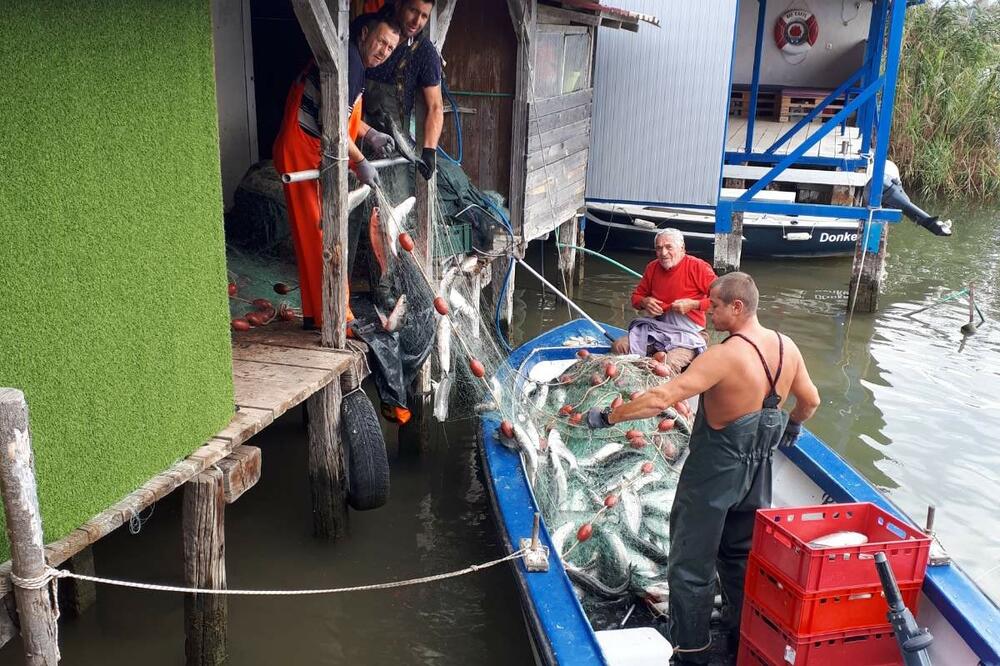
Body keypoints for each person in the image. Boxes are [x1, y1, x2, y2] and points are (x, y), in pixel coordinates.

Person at [587, 272, 821, 664]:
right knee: (739, 557)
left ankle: (691, 651)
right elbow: (810, 400)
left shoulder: (725, 356)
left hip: (715, 475)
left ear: (737, 307)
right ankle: (741, 631)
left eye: (714, 306)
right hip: (757, 473)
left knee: (690, 564)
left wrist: (609, 417)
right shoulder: (787, 348)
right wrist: (792, 424)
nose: (707, 312)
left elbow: (662, 396)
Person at [272, 17, 401, 329]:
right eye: (381, 42)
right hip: (304, 152)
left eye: (390, 48)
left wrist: (368, 134)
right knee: (323, 236)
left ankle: (317, 315)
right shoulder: (350, 64)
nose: (384, 51)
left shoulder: (348, 60)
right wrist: (360, 161)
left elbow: (338, 114)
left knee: (310, 238)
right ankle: (338, 319)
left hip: (308, 151)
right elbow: (335, 129)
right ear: (364, 33)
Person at [611, 229, 717, 376]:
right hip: (657, 329)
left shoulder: (699, 267)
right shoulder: (652, 267)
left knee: (668, 364)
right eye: (659, 248)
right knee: (620, 346)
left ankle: (665, 394)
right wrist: (645, 302)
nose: (663, 253)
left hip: (690, 333)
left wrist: (693, 305)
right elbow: (636, 298)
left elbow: (721, 300)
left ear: (682, 249)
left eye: (669, 247)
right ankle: (629, 384)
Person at [360, 0, 444, 181]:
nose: (417, 21)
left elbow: (435, 106)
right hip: (355, 134)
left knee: (395, 202)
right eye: (413, 11)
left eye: (424, 16)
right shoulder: (368, 27)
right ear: (399, 5)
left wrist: (429, 150)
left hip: (395, 145)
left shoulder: (425, 53)